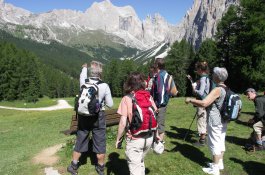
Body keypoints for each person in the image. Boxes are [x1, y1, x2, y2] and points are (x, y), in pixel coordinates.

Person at [67, 63, 113, 175]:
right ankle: (101, 168)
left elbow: (81, 76)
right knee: (100, 143)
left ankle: (74, 166)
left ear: (91, 72)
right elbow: (110, 104)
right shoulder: (104, 85)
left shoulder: (84, 82)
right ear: (100, 73)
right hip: (98, 116)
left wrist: (83, 68)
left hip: (83, 116)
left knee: (81, 139)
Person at [185, 67, 229, 175]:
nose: (212, 75)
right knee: (220, 141)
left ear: (217, 77)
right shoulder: (226, 88)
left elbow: (204, 103)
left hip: (215, 120)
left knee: (214, 143)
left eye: (214, 74)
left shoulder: (217, 89)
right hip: (223, 119)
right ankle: (219, 163)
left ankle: (215, 169)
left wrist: (190, 100)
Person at [115, 72, 159, 175]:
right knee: (139, 163)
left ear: (129, 83)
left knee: (135, 170)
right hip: (148, 138)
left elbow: (122, 122)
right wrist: (156, 135)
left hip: (134, 139)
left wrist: (118, 139)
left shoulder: (126, 98)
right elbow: (155, 114)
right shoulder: (148, 96)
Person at [151, 58, 178, 142]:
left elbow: (160, 91)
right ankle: (158, 141)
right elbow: (172, 90)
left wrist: (158, 105)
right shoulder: (167, 75)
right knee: (160, 122)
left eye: (155, 64)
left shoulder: (160, 76)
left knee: (159, 124)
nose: (154, 66)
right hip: (164, 103)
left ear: (157, 65)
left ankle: (159, 143)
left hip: (160, 104)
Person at [187, 61, 210, 146]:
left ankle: (202, 141)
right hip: (207, 101)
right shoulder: (207, 77)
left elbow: (200, 92)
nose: (196, 71)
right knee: (204, 118)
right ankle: (203, 137)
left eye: (197, 69)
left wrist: (194, 89)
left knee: (201, 119)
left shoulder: (203, 79)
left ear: (200, 69)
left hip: (202, 101)